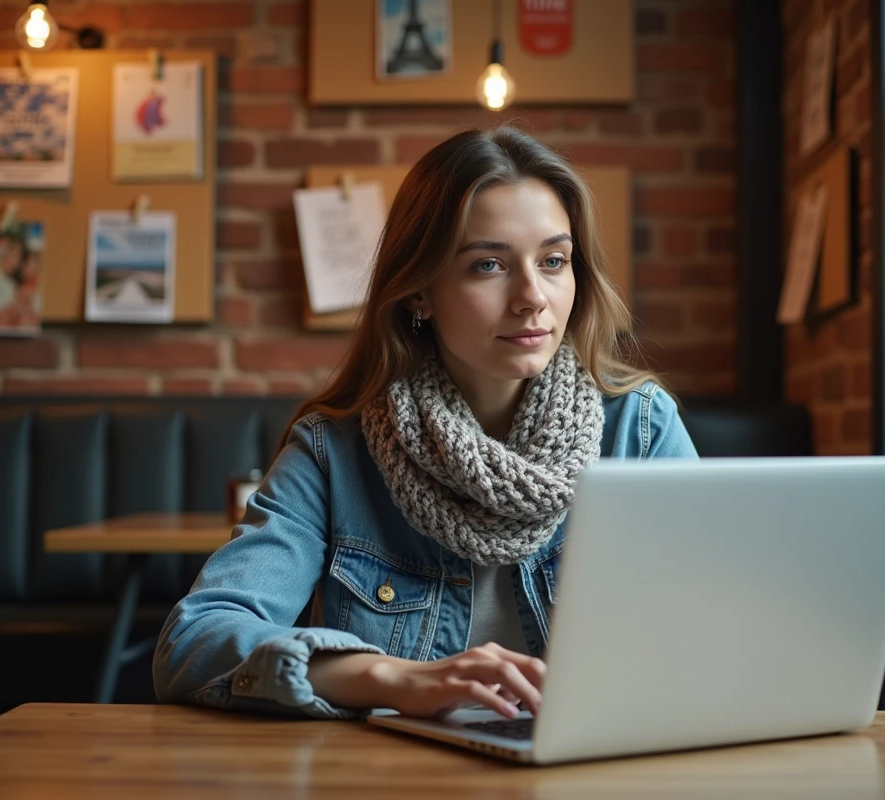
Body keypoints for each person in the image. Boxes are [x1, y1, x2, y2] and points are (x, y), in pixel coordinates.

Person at [153, 126, 698, 721]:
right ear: (419, 293)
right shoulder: (336, 451)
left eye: (553, 261)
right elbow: (194, 640)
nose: (532, 296)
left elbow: (723, 619)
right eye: (488, 265)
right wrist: (393, 679)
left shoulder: (638, 430)